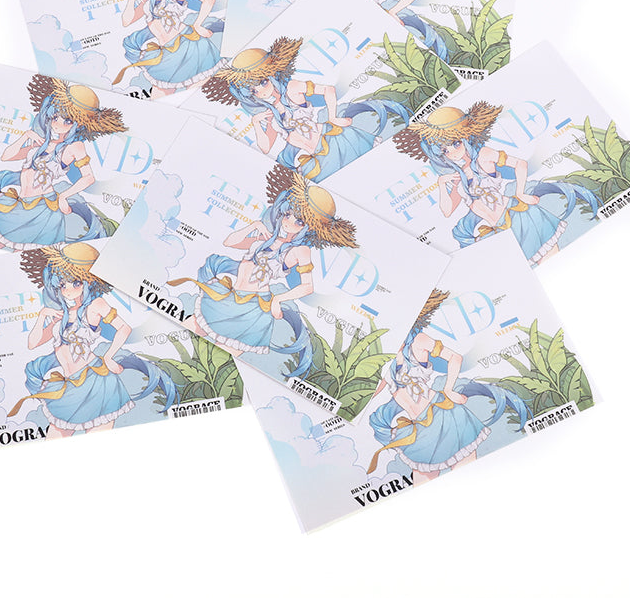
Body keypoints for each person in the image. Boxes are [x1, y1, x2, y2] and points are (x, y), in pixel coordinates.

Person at [169, 166, 358, 377]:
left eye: (299, 221)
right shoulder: (266, 238)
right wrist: (254, 225)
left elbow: (307, 287)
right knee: (181, 334)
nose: (289, 222)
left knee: (216, 364)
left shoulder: (299, 251)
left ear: (308, 228)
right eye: (288, 214)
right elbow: (229, 242)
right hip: (229, 298)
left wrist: (278, 299)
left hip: (253, 310)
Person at [394, 102, 599, 265]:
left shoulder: (484, 156)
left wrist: (521, 193)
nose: (452, 152)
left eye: (455, 143)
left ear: (466, 138)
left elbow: (520, 164)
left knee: (556, 261)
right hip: (499, 231)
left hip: (520, 217)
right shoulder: (458, 177)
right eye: (445, 150)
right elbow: (447, 211)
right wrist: (441, 184)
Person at [8, 243, 175, 437]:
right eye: (62, 284)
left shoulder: (95, 305)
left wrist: (109, 357)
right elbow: (32, 344)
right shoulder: (61, 314)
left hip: (97, 383)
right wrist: (42, 315)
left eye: (75, 283)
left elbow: (124, 328)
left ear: (88, 282)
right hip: (69, 385)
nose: (67, 290)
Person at [368, 290, 527, 482]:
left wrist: (449, 389)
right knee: (423, 483)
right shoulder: (387, 353)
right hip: (419, 427)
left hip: (444, 415)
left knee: (469, 476)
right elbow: (375, 388)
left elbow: (455, 357)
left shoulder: (418, 340)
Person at [202, 37, 408, 182]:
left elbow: (328, 90)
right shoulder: (268, 113)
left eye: (263, 82)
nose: (261, 91)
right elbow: (265, 148)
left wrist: (334, 117)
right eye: (253, 90)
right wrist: (256, 124)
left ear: (271, 75)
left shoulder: (292, 89)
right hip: (309, 158)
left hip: (331, 140)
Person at [0, 75, 126, 250]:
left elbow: (89, 177)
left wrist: (64, 196)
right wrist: (26, 136)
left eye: (67, 121)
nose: (58, 124)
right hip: (21, 204)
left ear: (77, 125)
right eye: (55, 117)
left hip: (42, 210)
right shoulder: (42, 143)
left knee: (9, 250)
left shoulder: (73, 147)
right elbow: (6, 156)